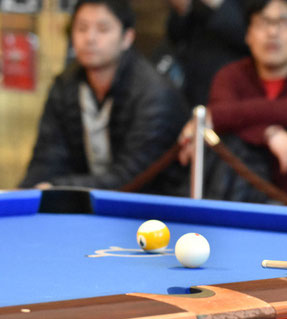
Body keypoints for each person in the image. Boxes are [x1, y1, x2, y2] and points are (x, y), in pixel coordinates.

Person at [178, 0, 287, 207]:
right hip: (235, 197)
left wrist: (217, 116)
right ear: (247, 33)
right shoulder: (230, 76)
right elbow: (223, 121)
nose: (272, 32)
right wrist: (270, 134)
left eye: (284, 22)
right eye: (262, 22)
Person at [20, 0, 189, 194]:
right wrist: (26, 193)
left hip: (154, 205)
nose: (90, 38)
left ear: (127, 38)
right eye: (82, 28)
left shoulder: (154, 94)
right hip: (85, 202)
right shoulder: (65, 84)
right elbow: (46, 158)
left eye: (103, 29)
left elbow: (132, 178)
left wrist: (57, 188)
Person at [165, 0, 250, 106]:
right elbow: (176, 37)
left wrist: (216, 4)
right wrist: (182, 10)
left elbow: (247, 37)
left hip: (232, 86)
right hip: (192, 85)